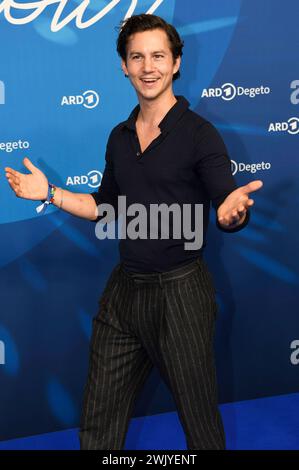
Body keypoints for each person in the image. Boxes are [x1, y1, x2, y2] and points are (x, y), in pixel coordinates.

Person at [5, 14, 263, 450]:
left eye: (159, 56)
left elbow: (226, 202)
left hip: (181, 293)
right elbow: (105, 207)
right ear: (123, 66)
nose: (148, 67)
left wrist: (231, 214)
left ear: (176, 63)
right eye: (137, 56)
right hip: (125, 290)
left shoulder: (201, 135)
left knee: (199, 424)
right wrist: (48, 192)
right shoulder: (119, 136)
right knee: (98, 418)